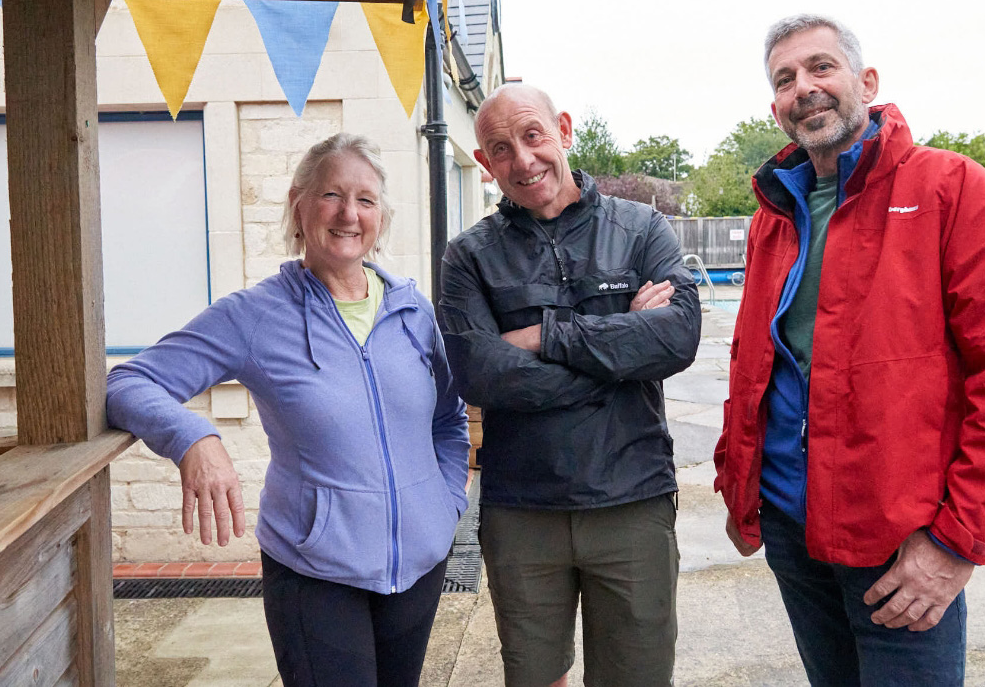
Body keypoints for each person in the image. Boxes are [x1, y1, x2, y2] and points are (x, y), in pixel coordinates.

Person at [714, 14, 985, 686]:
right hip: (791, 525)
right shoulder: (772, 219)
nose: (803, 88)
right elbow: (753, 365)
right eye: (785, 79)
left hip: (901, 542)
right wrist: (737, 483)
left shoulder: (952, 190)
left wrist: (958, 542)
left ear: (866, 81)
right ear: (776, 108)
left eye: (820, 67)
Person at [106, 133, 469, 687]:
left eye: (366, 200)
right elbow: (130, 381)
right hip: (315, 573)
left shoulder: (413, 310)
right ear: (299, 205)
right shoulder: (254, 316)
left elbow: (447, 419)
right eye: (332, 195)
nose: (349, 214)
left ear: (381, 217)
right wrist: (193, 438)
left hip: (419, 565)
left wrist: (444, 507)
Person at [438, 84, 701, 687]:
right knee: (534, 678)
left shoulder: (641, 229)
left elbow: (677, 339)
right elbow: (479, 374)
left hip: (632, 500)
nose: (523, 160)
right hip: (522, 509)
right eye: (500, 149)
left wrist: (541, 337)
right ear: (483, 163)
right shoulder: (469, 256)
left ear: (563, 129)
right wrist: (617, 348)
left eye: (533, 136)